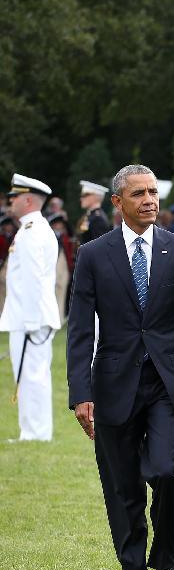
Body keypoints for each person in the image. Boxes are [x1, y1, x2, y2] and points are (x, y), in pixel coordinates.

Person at [66, 164, 174, 570]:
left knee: (165, 473)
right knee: (123, 486)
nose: (150, 200)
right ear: (118, 203)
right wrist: (81, 393)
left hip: (168, 385)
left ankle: (167, 560)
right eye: (139, 194)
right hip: (113, 384)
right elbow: (79, 331)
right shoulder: (93, 254)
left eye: (153, 192)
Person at [0, 174, 60, 442]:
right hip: (26, 318)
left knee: (32, 376)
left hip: (30, 320)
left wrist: (32, 323)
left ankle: (36, 433)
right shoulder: (30, 229)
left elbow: (35, 279)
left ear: (27, 200)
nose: (10, 201)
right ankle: (31, 432)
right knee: (27, 376)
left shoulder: (33, 231)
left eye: (14, 197)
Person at [77, 180, 112, 245]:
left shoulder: (98, 219)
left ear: (94, 197)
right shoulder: (90, 216)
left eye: (84, 195)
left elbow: (99, 246)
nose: (81, 198)